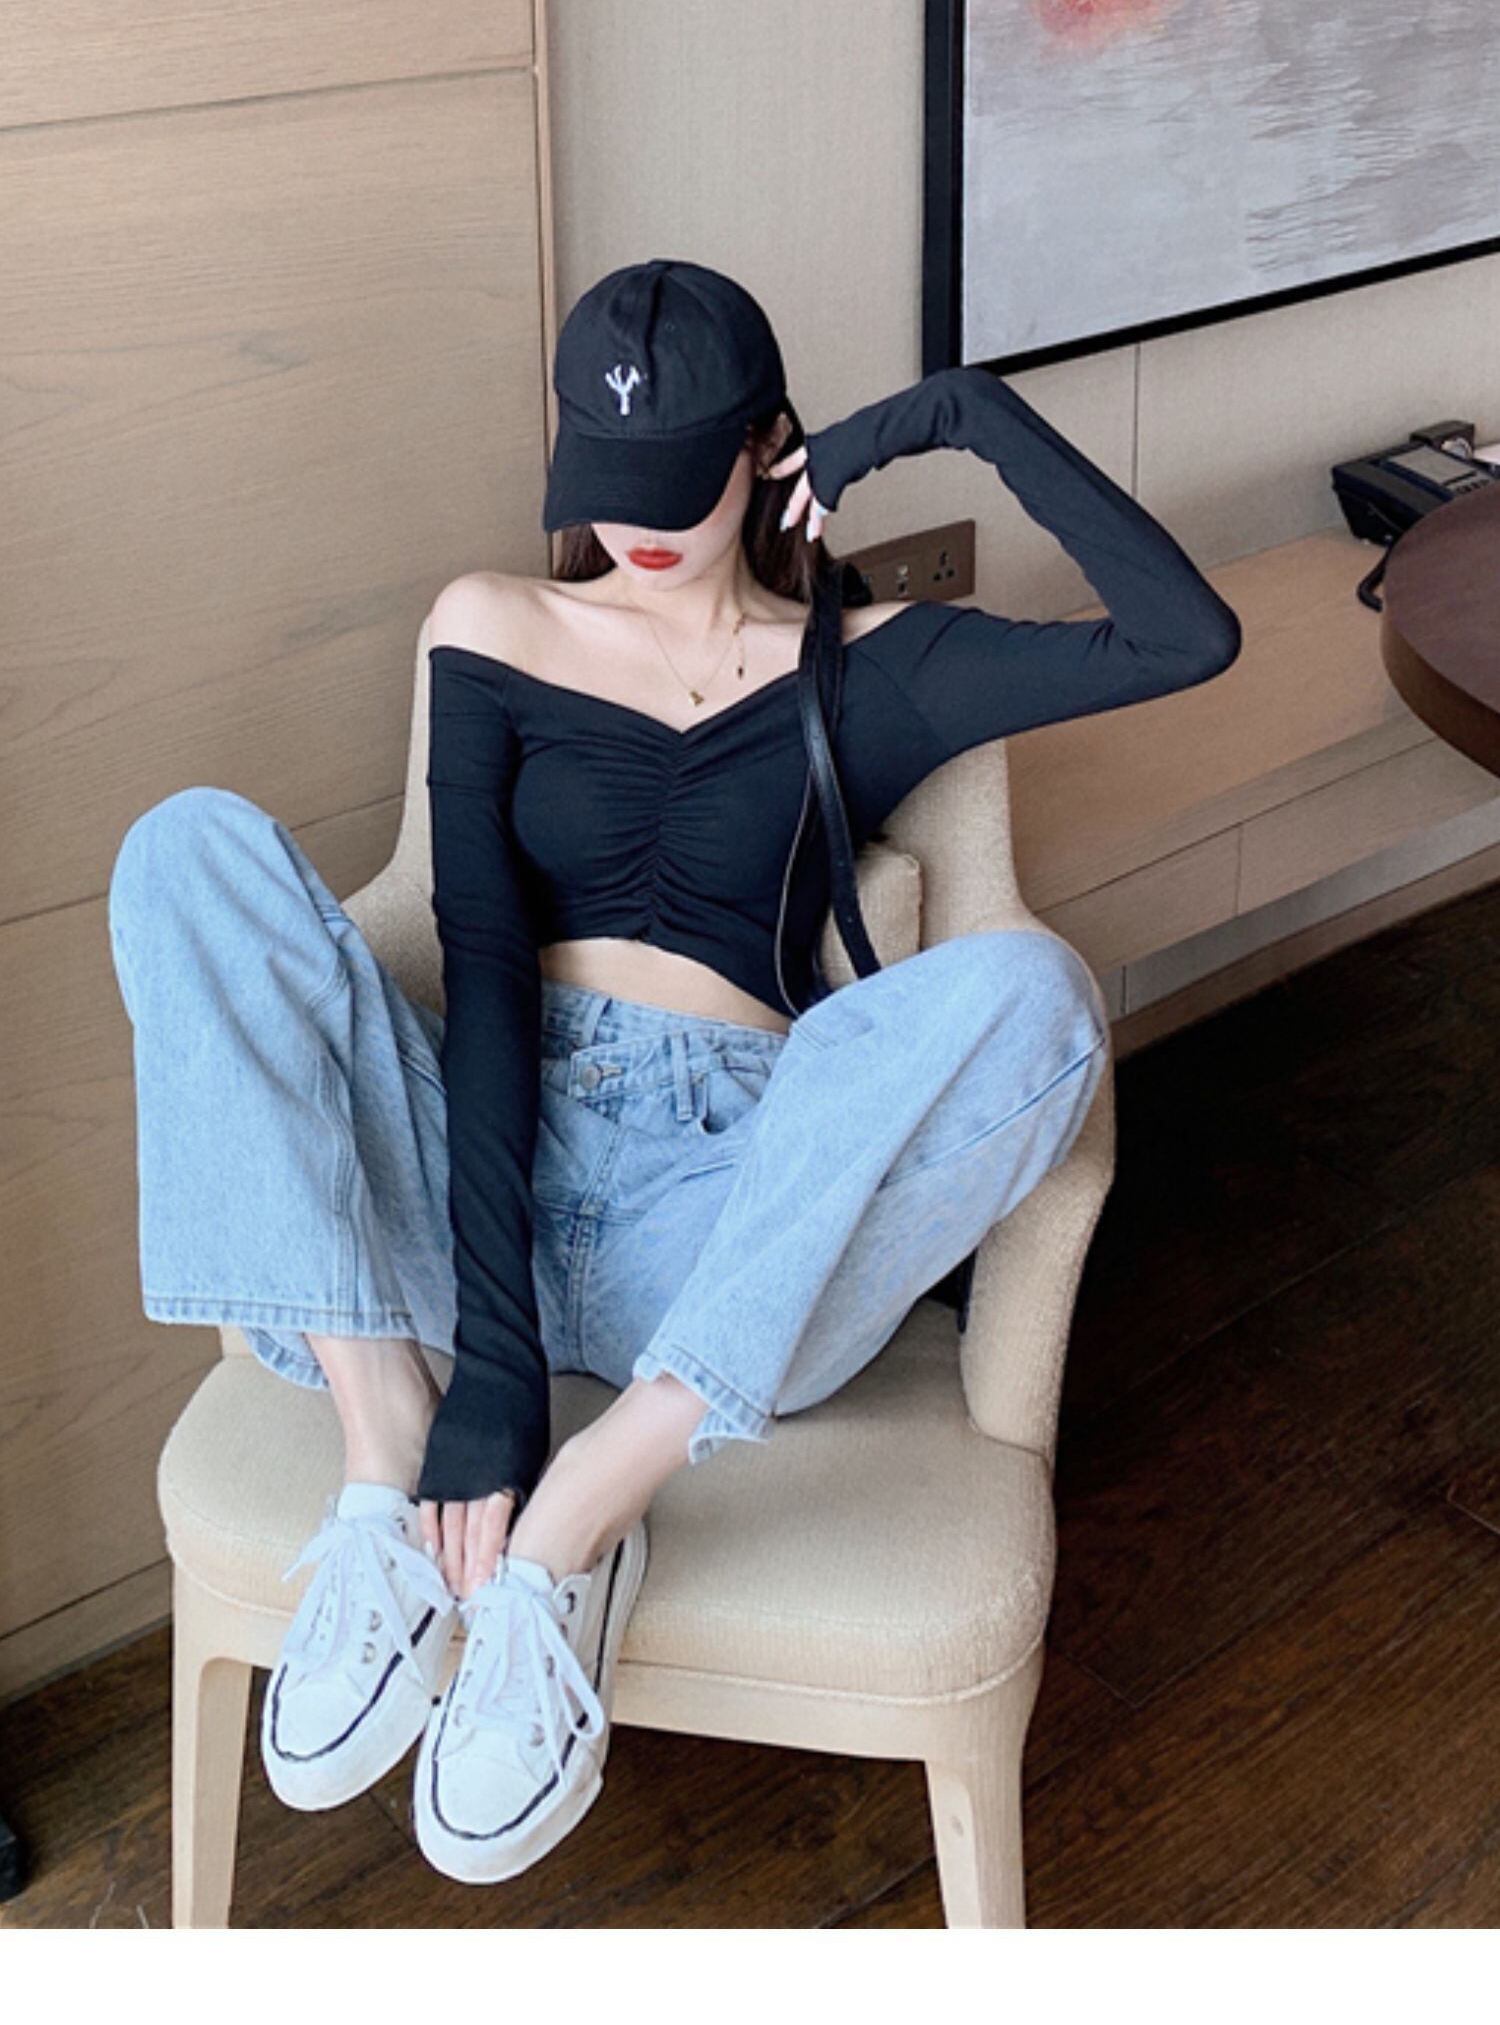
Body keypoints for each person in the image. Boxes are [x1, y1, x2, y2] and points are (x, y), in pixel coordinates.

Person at [107, 257, 1241, 1889]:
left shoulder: (874, 667)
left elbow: (1187, 635)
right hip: (477, 1192)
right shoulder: (493, 624)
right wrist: (489, 1372)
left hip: (726, 1240)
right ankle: (381, 1448)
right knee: (184, 850)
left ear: (766, 447)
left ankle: (587, 1509)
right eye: (607, 478)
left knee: (1039, 995)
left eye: (678, 480)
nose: (635, 524)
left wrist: (953, 414)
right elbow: (481, 964)